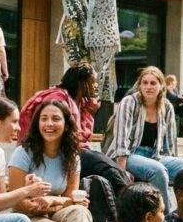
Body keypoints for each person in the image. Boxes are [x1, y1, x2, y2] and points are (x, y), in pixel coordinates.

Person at [19, 64, 130, 193]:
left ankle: (129, 193)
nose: (96, 85)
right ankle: (129, 195)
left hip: (73, 150)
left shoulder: (80, 102)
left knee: (107, 166)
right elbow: (67, 136)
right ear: (82, 82)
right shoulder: (57, 100)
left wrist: (89, 112)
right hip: (53, 151)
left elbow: (83, 136)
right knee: (104, 166)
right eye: (93, 81)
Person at [8, 100, 97, 222]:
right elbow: (17, 203)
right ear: (37, 123)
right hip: (28, 220)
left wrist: (49, 200)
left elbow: (72, 200)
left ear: (66, 124)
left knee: (80, 212)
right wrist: (57, 203)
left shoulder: (72, 157)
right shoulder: (23, 153)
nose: (49, 124)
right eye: (44, 119)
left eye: (56, 119)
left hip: (58, 214)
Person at [109, 66, 183, 208]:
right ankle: (166, 221)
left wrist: (172, 160)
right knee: (158, 170)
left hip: (154, 155)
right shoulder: (129, 102)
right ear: (140, 85)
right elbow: (121, 139)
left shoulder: (166, 106)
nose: (148, 87)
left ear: (161, 85)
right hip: (129, 155)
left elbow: (170, 142)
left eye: (153, 83)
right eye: (145, 83)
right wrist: (121, 170)